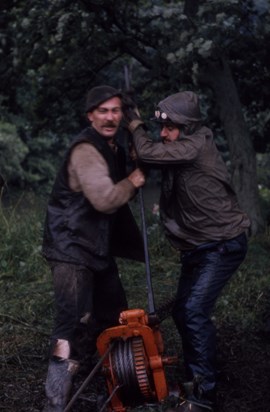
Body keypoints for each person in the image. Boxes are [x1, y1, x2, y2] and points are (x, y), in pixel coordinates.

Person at [122, 91, 250, 412]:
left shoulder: (197, 144)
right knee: (183, 312)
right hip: (198, 247)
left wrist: (135, 125)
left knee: (193, 311)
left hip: (222, 245)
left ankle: (204, 396)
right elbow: (147, 157)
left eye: (170, 128)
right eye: (161, 128)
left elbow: (148, 150)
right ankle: (204, 373)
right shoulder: (178, 149)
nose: (163, 134)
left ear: (188, 128)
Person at [42, 85, 146, 411]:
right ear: (91, 116)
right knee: (70, 329)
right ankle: (55, 404)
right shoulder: (86, 149)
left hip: (96, 251)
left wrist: (136, 126)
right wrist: (133, 181)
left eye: (116, 111)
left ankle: (115, 390)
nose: (110, 117)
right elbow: (104, 200)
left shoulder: (112, 145)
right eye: (103, 111)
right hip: (71, 250)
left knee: (115, 320)